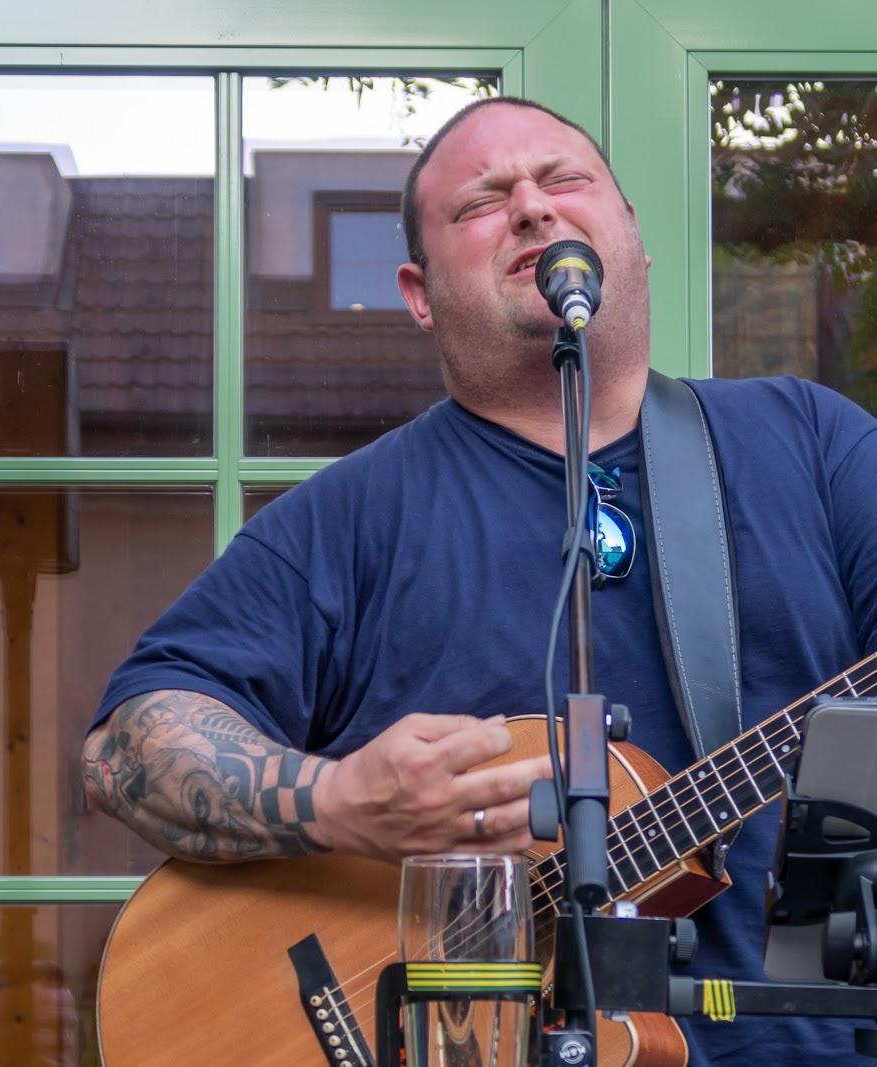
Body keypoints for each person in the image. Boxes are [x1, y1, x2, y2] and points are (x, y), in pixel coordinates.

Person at [82, 97, 877, 1064]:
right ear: (417, 292)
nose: (535, 209)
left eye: (566, 180)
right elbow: (129, 742)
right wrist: (339, 803)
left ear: (633, 241)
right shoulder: (352, 517)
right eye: (483, 202)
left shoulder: (811, 442)